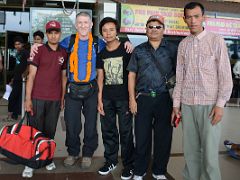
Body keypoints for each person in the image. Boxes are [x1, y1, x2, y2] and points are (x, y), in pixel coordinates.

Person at [171, 2, 233, 180]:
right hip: (188, 105)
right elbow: (180, 78)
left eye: (196, 16)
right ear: (184, 19)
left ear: (203, 17)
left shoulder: (216, 41)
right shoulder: (183, 45)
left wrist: (220, 105)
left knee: (210, 155)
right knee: (190, 152)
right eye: (189, 17)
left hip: (210, 105)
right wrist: (176, 104)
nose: (193, 21)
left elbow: (225, 76)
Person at [127, 14, 177, 180]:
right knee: (142, 137)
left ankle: (159, 171)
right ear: (145, 30)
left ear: (164, 30)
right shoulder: (139, 50)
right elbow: (132, 75)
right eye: (151, 27)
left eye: (158, 27)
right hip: (143, 98)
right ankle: (140, 171)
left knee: (163, 138)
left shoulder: (172, 49)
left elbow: (179, 75)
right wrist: (132, 99)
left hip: (165, 99)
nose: (154, 29)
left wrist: (177, 104)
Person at [23, 20, 67, 178]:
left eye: (56, 32)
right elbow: (31, 76)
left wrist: (62, 98)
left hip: (54, 99)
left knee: (50, 132)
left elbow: (63, 78)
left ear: (60, 33)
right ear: (47, 34)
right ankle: (31, 163)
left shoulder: (63, 52)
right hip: (37, 98)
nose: (54, 35)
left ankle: (47, 159)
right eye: (50, 32)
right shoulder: (39, 50)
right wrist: (28, 99)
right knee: (34, 132)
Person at [97, 17, 134, 180]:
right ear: (101, 33)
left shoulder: (127, 50)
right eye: (105, 30)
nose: (108, 33)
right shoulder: (101, 53)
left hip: (124, 99)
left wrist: (132, 98)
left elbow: (133, 75)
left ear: (117, 31)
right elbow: (100, 77)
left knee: (126, 133)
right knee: (108, 131)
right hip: (106, 99)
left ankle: (129, 165)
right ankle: (110, 160)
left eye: (111, 29)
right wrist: (99, 99)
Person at [5, 36, 28, 121]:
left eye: (19, 44)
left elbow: (29, 64)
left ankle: (15, 115)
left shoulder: (25, 52)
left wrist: (25, 74)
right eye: (16, 44)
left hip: (22, 79)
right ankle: (14, 114)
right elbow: (17, 67)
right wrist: (13, 78)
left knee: (18, 97)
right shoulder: (17, 53)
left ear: (22, 44)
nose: (17, 46)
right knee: (14, 97)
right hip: (16, 78)